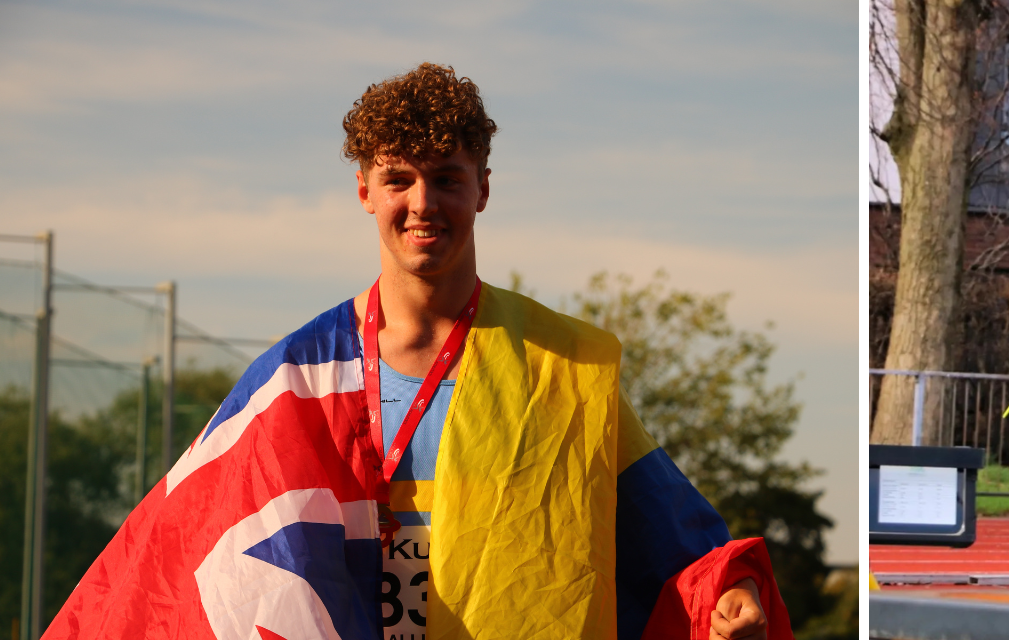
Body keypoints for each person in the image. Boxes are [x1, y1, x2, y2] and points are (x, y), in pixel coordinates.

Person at [46, 63, 786, 640]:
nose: (423, 203)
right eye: (399, 178)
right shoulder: (296, 378)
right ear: (365, 190)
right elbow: (175, 554)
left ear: (483, 190)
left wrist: (730, 592)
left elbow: (676, 532)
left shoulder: (561, 367)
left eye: (447, 179)